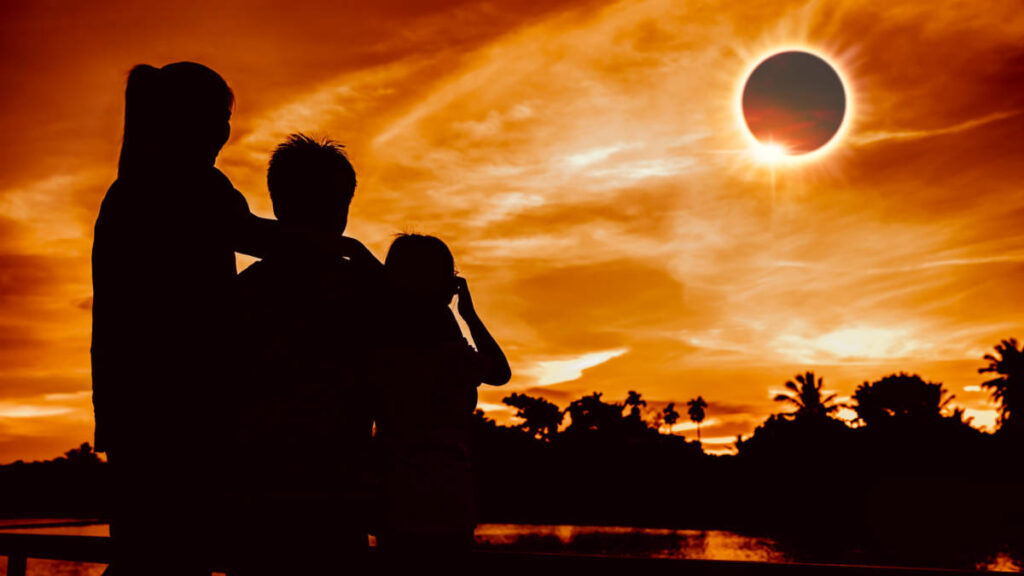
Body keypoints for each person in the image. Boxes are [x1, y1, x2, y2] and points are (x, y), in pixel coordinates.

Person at [91, 63, 376, 575]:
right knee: (163, 554)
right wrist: (350, 250)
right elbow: (257, 236)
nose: (224, 131)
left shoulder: (137, 189)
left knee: (156, 553)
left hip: (148, 414)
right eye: (217, 117)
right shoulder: (181, 188)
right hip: (173, 415)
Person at [231, 134, 380, 574]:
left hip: (260, 499)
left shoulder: (243, 292)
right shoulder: (365, 289)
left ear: (277, 205)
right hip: (334, 495)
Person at [373, 234, 511, 565]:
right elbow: (500, 372)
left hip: (393, 489)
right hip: (444, 492)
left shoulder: (380, 340)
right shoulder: (445, 349)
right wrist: (470, 315)